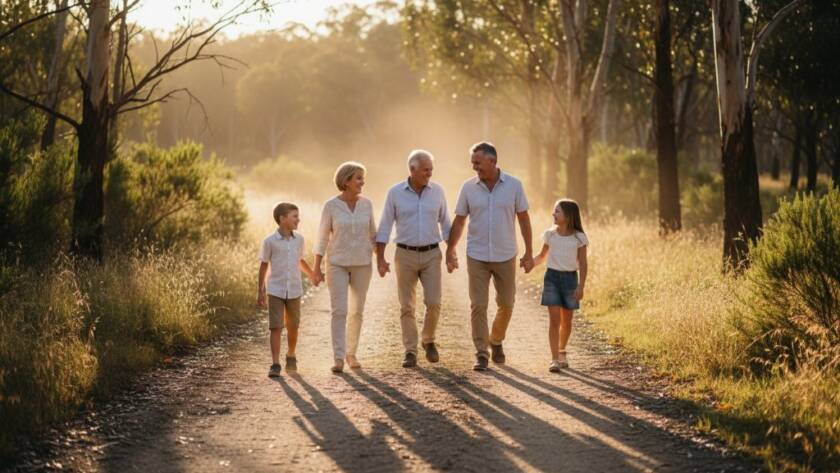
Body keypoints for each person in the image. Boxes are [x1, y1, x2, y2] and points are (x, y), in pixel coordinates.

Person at [446, 142, 534, 371]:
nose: (474, 167)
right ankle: (481, 353)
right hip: (477, 254)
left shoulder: (514, 185)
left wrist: (529, 252)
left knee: (507, 303)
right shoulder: (468, 188)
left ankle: (495, 340)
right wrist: (450, 249)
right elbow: (459, 220)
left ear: (492, 162)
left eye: (478, 162)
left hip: (506, 254)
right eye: (472, 163)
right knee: (478, 305)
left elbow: (524, 219)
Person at [376, 150, 452, 368]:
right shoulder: (395, 193)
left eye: (431, 169)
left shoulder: (437, 192)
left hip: (431, 253)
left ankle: (428, 340)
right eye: (426, 170)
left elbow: (446, 223)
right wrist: (380, 258)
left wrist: (451, 252)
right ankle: (410, 351)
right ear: (412, 170)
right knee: (407, 306)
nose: (430, 174)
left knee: (434, 302)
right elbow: (384, 226)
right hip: (405, 254)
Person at [314, 162, 376, 373]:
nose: (362, 182)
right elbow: (322, 238)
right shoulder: (331, 206)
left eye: (362, 178)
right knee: (339, 310)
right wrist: (316, 267)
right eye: (358, 178)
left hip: (362, 263)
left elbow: (373, 234)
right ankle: (338, 358)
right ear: (346, 181)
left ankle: (351, 353)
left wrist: (383, 259)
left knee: (357, 311)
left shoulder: (367, 204)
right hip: (337, 263)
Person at [257, 202, 320, 377]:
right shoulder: (269, 241)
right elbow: (263, 266)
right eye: (294, 216)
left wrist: (312, 275)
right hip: (275, 289)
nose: (298, 220)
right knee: (275, 327)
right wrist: (260, 290)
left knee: (293, 326)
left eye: (297, 216)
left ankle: (291, 355)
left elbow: (300, 260)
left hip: (294, 289)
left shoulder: (299, 239)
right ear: (282, 219)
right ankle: (275, 364)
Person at [533, 198, 589, 372]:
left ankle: (562, 350)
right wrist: (530, 262)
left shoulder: (579, 238)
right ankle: (555, 359)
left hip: (570, 280)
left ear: (569, 215)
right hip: (552, 279)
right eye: (554, 210)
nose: (553, 214)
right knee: (554, 321)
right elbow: (542, 256)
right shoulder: (550, 234)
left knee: (568, 321)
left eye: (557, 211)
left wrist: (581, 286)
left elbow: (583, 263)